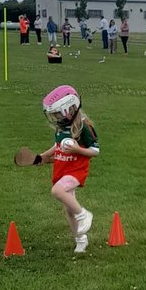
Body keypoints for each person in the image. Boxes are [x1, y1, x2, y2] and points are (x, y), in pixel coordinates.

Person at [32, 86, 100, 253]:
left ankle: (84, 214)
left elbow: (95, 151)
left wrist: (77, 150)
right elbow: (57, 147)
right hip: (62, 170)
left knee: (57, 191)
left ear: (69, 109)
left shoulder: (84, 127)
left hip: (76, 171)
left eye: (57, 114)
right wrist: (42, 157)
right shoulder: (61, 128)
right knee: (69, 211)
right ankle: (81, 240)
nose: (55, 118)